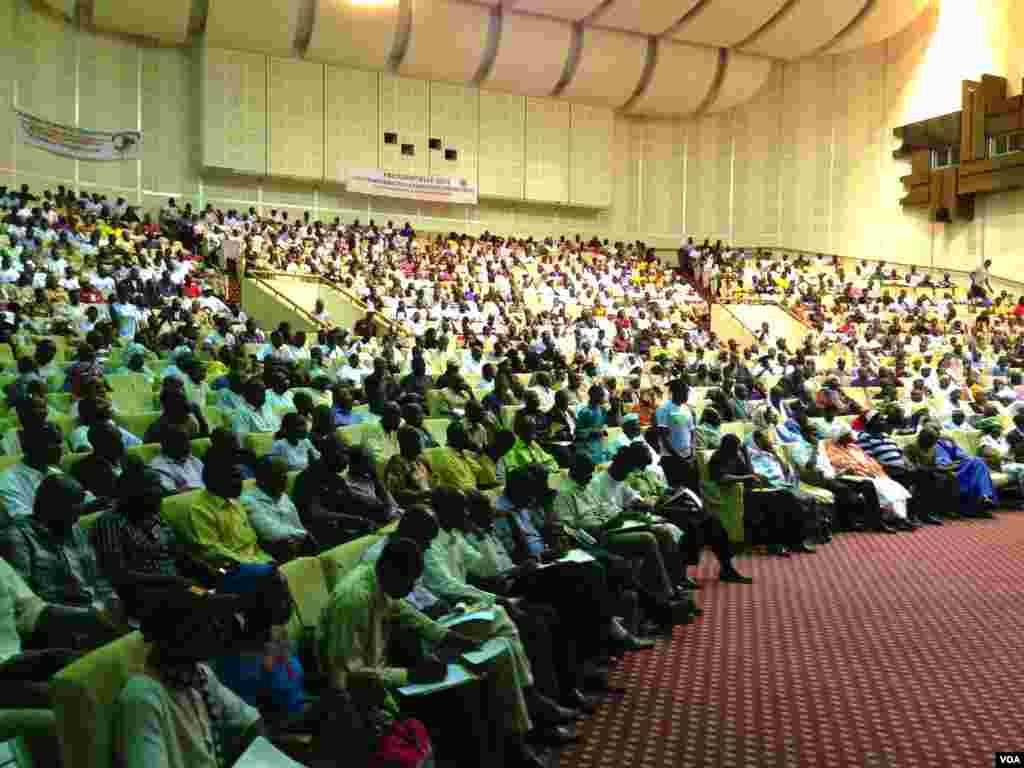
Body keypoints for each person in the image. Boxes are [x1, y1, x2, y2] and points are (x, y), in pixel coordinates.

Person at [317, 536, 550, 768]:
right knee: (466, 699)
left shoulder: (378, 578)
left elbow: (411, 616)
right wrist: (410, 675)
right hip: (365, 697)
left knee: (479, 679)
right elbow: (348, 676)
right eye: (408, 583)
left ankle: (510, 751)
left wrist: (452, 639)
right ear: (389, 569)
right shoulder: (353, 600)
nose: (410, 591)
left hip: (383, 674)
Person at [114, 582, 267, 768]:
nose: (218, 629)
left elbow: (252, 723)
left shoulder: (200, 675)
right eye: (207, 621)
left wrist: (262, 759)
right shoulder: (142, 698)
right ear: (179, 632)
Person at [0, 475, 120, 618]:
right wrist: (85, 612)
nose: (78, 516)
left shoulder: (72, 527)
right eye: (72, 508)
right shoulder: (17, 538)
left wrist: (111, 598)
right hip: (58, 618)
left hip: (94, 607)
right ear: (49, 506)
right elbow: (25, 601)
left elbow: (96, 574)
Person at [184, 462, 273, 568]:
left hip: (259, 558)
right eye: (234, 477)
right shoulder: (200, 510)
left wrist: (266, 560)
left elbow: (251, 540)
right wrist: (252, 564)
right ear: (215, 482)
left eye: (240, 477)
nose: (240, 482)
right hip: (234, 566)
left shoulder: (234, 500)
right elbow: (212, 550)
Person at [905, 424, 996, 518]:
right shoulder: (919, 446)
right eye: (931, 429)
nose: (936, 432)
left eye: (937, 430)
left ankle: (985, 497)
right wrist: (947, 467)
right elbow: (923, 465)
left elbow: (964, 456)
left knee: (977, 461)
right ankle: (980, 501)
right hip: (940, 471)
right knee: (960, 473)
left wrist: (954, 455)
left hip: (954, 468)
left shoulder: (945, 443)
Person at [241, 457, 316, 562]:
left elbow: (297, 525)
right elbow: (270, 533)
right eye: (279, 475)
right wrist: (303, 534)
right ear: (263, 478)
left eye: (285, 475)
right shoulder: (248, 500)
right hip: (269, 550)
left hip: (295, 544)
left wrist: (302, 536)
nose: (285, 479)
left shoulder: (283, 496)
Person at [0, 422, 67, 525]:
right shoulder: (8, 480)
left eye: (60, 442)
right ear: (29, 445)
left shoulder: (57, 473)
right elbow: (21, 519)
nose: (59, 448)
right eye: (50, 443)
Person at [383, 425, 435, 507]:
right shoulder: (396, 463)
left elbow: (433, 480)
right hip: (414, 507)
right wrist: (421, 494)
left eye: (419, 440)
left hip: (430, 501)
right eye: (416, 440)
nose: (420, 443)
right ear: (404, 443)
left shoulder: (422, 460)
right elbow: (395, 494)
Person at [151, 426, 206, 494]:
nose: (188, 456)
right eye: (184, 455)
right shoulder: (159, 467)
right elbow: (170, 493)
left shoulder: (193, 460)